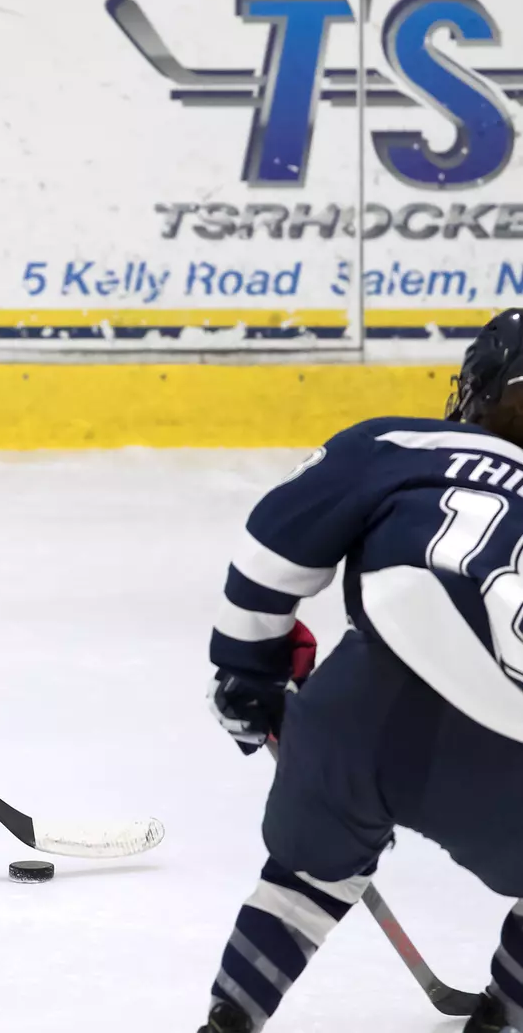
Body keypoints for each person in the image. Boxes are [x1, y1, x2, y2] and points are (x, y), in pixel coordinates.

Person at [197, 308, 523, 1033]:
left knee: (309, 873)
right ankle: (505, 1017)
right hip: (513, 759)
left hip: (358, 714)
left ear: (475, 389)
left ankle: (230, 1018)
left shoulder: (402, 443)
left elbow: (270, 551)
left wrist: (247, 673)